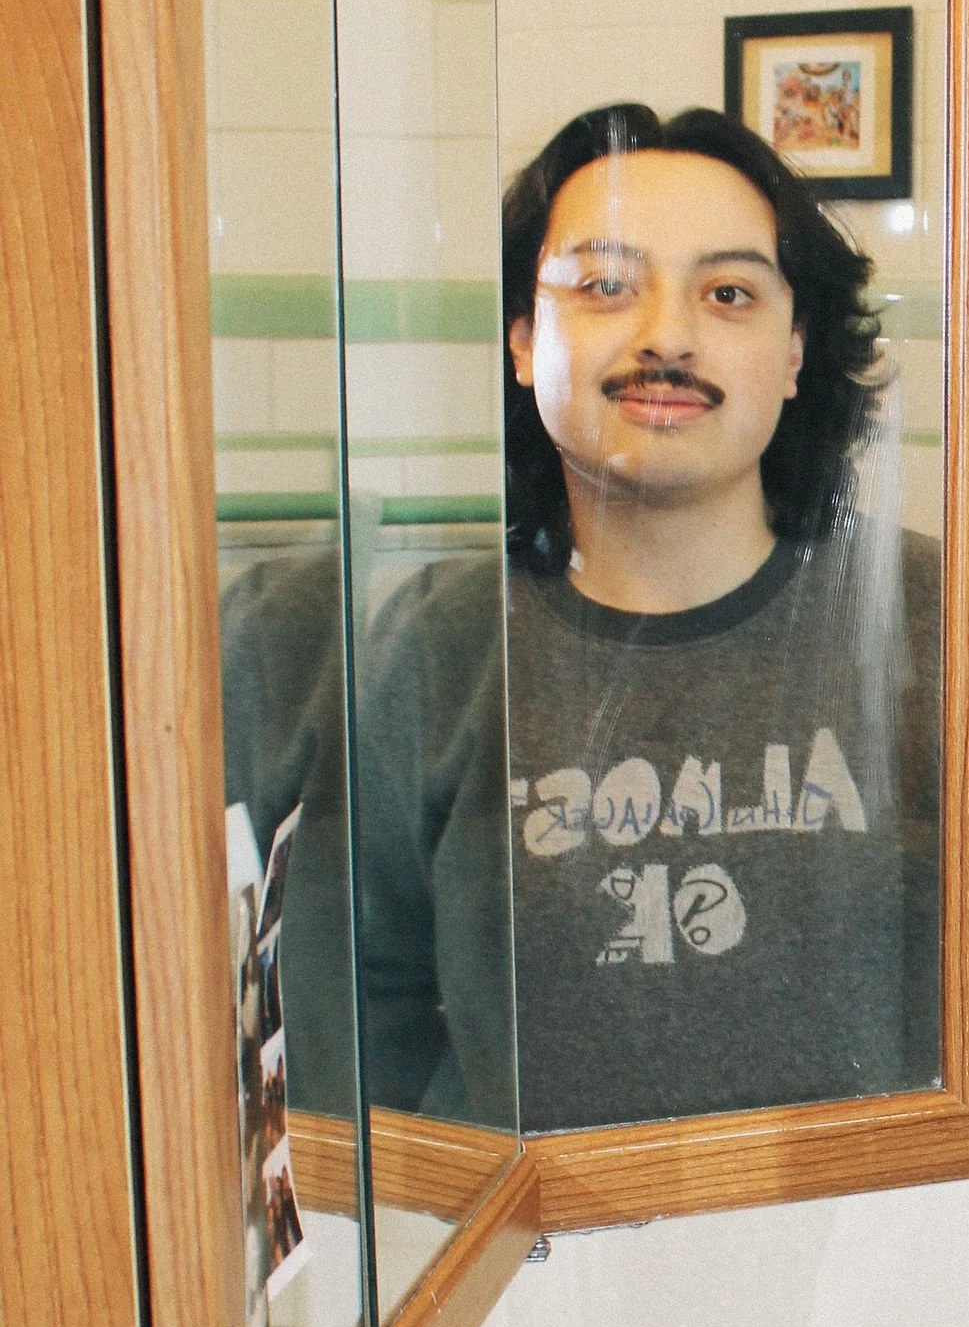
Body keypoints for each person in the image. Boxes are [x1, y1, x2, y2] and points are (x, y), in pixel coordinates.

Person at [358, 102, 938, 1131]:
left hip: (875, 1257)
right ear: (525, 341)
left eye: (727, 294)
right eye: (605, 286)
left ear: (797, 350)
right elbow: (369, 1019)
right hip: (537, 1270)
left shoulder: (938, 623)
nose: (666, 336)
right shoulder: (428, 652)